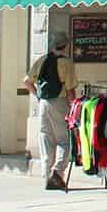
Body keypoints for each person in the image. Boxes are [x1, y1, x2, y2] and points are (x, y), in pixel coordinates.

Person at [22, 32, 74, 192]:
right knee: (65, 139)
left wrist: (38, 95)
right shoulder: (66, 63)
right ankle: (57, 172)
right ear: (65, 46)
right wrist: (74, 108)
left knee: (46, 138)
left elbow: (27, 81)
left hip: (43, 103)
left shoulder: (42, 60)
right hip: (60, 102)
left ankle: (46, 175)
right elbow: (71, 89)